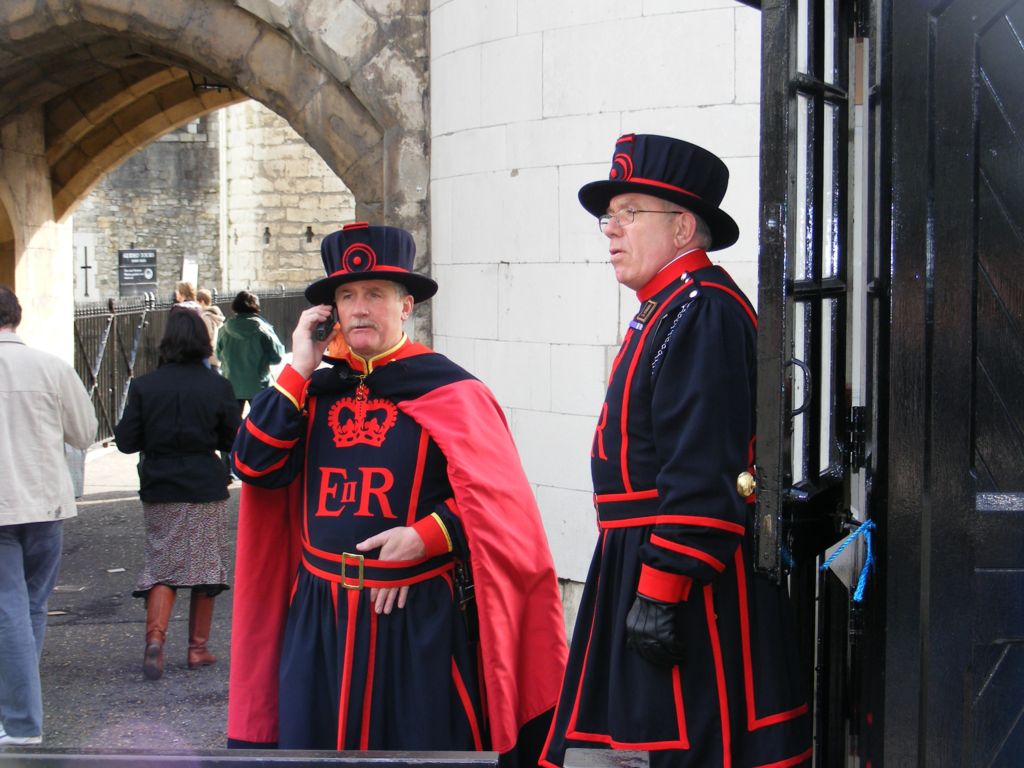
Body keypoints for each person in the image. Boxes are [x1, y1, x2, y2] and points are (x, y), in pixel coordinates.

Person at [226, 222, 567, 764]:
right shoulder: (308, 389)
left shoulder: (450, 390)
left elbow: (503, 509)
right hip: (321, 619)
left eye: (375, 294)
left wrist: (426, 537)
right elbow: (253, 466)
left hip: (415, 620)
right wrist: (296, 367)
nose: (360, 308)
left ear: (405, 305)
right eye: (347, 295)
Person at [540, 134, 812, 768]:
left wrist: (661, 589)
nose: (611, 230)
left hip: (682, 577)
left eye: (630, 213)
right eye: (611, 215)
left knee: (685, 749)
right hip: (637, 558)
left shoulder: (703, 310)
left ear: (684, 226)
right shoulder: (667, 306)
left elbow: (705, 465)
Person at [113, 305, 241, 680]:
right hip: (204, 482)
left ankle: (155, 640)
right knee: (206, 567)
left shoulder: (144, 386)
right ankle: (197, 649)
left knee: (162, 565)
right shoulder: (218, 386)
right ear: (203, 341)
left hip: (160, 485)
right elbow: (234, 438)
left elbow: (125, 441)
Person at [0, 286, 97, 745]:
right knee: (30, 609)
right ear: (17, 317)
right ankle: (19, 703)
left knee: (9, 613)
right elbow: (84, 433)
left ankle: (20, 723)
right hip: (46, 502)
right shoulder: (52, 366)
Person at [216, 290, 284, 416]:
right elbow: (277, 357)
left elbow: (218, 355)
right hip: (259, 384)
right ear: (256, 307)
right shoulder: (263, 329)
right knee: (261, 425)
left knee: (232, 428)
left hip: (231, 385)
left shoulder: (224, 329)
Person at [195, 289, 225, 372]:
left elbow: (208, 338)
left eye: (196, 302)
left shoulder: (206, 318)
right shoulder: (215, 315)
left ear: (202, 302)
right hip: (216, 357)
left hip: (209, 358)